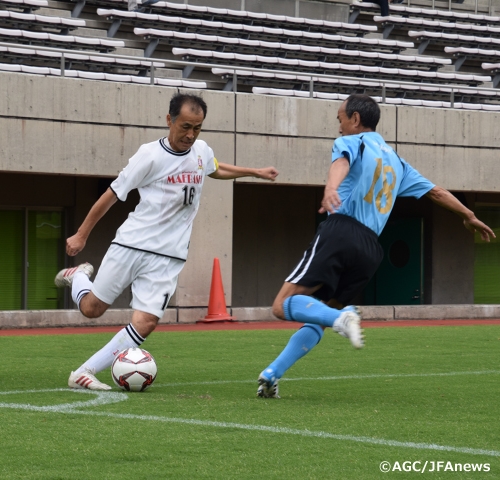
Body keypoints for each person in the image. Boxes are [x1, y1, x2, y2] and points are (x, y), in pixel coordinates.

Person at [256, 94, 495, 399]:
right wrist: (470, 215)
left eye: (341, 119)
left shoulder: (355, 142)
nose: (339, 126)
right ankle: (272, 374)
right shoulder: (396, 161)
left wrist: (330, 187)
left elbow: (341, 162)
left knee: (282, 305)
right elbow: (435, 192)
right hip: (370, 250)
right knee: (321, 313)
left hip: (341, 232)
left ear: (355, 119)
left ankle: (344, 318)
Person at [54, 93, 279, 390]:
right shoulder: (149, 155)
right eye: (185, 126)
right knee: (92, 309)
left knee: (146, 322)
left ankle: (83, 372)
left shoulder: (200, 150)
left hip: (169, 256)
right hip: (132, 245)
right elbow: (112, 194)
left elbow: (214, 168)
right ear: (169, 120)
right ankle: (79, 277)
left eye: (197, 128)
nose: (190, 135)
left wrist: (255, 172)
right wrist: (82, 234)